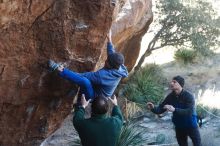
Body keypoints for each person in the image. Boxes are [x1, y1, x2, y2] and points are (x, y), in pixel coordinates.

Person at [48, 30, 128, 101]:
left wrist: (64, 71)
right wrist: (109, 39)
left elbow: (84, 76)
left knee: (85, 81)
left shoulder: (103, 76)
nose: (105, 60)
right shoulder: (119, 66)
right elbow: (111, 54)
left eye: (107, 61)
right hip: (98, 87)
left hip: (95, 98)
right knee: (83, 80)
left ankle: (58, 69)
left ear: (110, 66)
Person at [147, 76, 201, 146]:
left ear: (180, 84)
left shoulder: (189, 96)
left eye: (174, 82)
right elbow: (161, 109)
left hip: (191, 125)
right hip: (179, 127)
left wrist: (174, 109)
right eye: (171, 82)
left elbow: (189, 112)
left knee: (197, 144)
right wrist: (153, 108)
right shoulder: (170, 96)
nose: (171, 83)